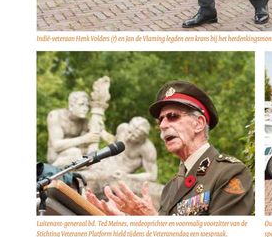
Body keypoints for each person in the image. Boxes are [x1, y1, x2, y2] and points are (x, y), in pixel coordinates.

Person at [86, 80, 254, 216]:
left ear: (199, 123)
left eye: (173, 117)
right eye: (161, 120)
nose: (163, 125)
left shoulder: (230, 173)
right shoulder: (171, 187)